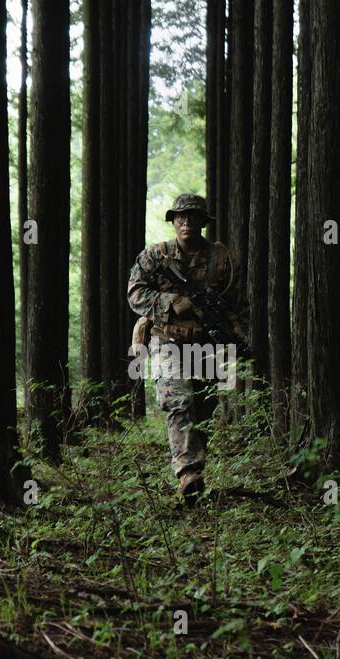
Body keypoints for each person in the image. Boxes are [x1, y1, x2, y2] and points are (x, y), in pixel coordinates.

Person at [126, 194, 249, 504]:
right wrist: (171, 302)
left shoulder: (221, 259)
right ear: (173, 221)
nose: (186, 223)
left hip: (207, 344)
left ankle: (195, 472)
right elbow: (135, 293)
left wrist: (236, 337)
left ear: (203, 223)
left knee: (204, 408)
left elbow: (237, 304)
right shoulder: (156, 255)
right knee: (178, 401)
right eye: (180, 217)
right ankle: (187, 473)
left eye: (193, 217)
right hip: (167, 340)